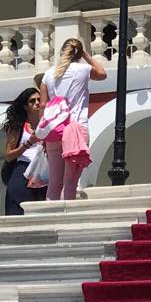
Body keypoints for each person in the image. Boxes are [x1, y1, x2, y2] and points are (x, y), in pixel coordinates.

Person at [41, 38, 107, 202]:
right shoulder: (83, 69)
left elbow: (43, 105)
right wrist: (85, 54)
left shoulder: (47, 75)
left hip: (54, 130)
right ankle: (66, 218)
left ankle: (49, 218)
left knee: (54, 183)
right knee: (70, 182)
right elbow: (102, 74)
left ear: (62, 51)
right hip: (75, 129)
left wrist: (44, 134)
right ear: (78, 53)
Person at [3, 86, 48, 217]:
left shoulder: (48, 124)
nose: (37, 103)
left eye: (39, 99)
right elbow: (8, 155)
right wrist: (28, 143)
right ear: (25, 106)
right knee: (19, 208)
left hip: (44, 171)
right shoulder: (18, 127)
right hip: (22, 170)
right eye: (32, 101)